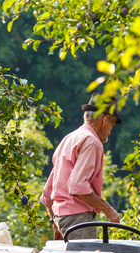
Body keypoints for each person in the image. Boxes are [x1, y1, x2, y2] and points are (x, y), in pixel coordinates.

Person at [40, 93, 122, 241]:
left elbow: (47, 192)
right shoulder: (92, 142)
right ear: (105, 120)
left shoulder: (69, 138)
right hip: (79, 221)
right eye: (112, 124)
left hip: (63, 220)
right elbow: (77, 186)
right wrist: (110, 211)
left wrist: (55, 223)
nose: (111, 130)